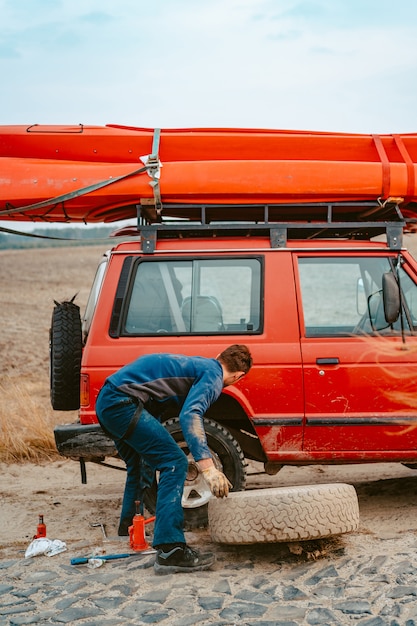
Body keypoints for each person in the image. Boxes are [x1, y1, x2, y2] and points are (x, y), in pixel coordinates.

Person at [95, 345, 253, 574]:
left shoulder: (197, 365)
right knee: (175, 463)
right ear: (239, 376)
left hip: (108, 402)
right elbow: (191, 414)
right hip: (122, 403)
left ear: (219, 355)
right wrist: (207, 467)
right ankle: (171, 550)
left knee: (141, 464)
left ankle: (129, 532)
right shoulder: (213, 374)